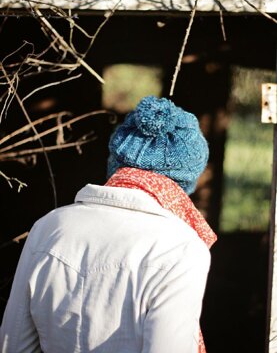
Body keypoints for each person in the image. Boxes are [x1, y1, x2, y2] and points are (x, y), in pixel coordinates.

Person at [0, 95, 216, 353]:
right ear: (185, 179)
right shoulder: (183, 248)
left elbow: (14, 345)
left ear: (116, 161)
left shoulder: (49, 227)